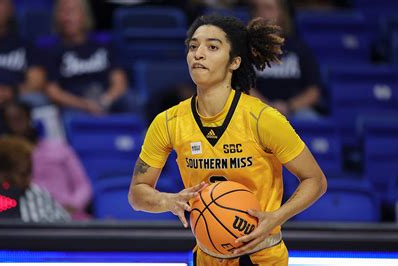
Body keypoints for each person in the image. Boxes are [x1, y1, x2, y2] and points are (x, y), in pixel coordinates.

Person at [128, 15, 327, 265]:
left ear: (234, 62)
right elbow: (137, 194)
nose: (198, 54)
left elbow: (316, 180)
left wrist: (277, 217)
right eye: (193, 46)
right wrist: (168, 200)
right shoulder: (168, 122)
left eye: (212, 47)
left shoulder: (262, 118)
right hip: (206, 257)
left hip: (262, 257)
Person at [0, 101, 93, 219]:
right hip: (10, 217)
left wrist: (72, 206)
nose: (15, 125)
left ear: (29, 119)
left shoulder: (58, 148)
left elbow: (83, 186)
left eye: (19, 119)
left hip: (66, 215)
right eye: (9, 120)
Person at [45, 0, 132, 115]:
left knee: (130, 99)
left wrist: (104, 101)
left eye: (71, 11)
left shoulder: (105, 46)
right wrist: (85, 105)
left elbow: (120, 82)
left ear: (85, 14)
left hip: (107, 100)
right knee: (68, 113)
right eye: (62, 12)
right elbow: (53, 92)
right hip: (74, 106)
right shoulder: (52, 52)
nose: (67, 18)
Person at [248, 0, 322, 118]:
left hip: (294, 111)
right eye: (258, 9)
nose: (262, 14)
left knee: (309, 118)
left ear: (282, 13)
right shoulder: (247, 49)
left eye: (268, 8)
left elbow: (313, 91)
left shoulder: (299, 48)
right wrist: (267, 107)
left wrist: (288, 106)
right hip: (258, 110)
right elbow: (243, 87)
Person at [0, 136, 71, 222]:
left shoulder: (39, 193)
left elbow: (65, 227)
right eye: (23, 174)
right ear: (1, 173)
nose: (29, 179)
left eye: (29, 172)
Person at [0, 0, 48, 109]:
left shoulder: (25, 44)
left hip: (15, 98)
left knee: (39, 101)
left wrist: (10, 92)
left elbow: (37, 80)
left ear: (10, 9)